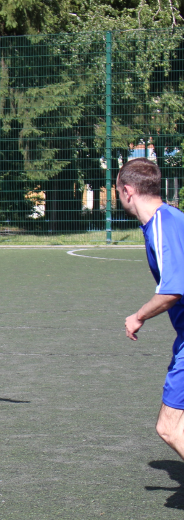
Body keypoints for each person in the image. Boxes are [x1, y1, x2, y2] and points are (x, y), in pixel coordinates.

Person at [120, 158, 184, 460]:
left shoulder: (162, 225)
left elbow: (172, 290)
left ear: (128, 191)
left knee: (170, 428)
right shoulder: (171, 218)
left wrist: (138, 316)